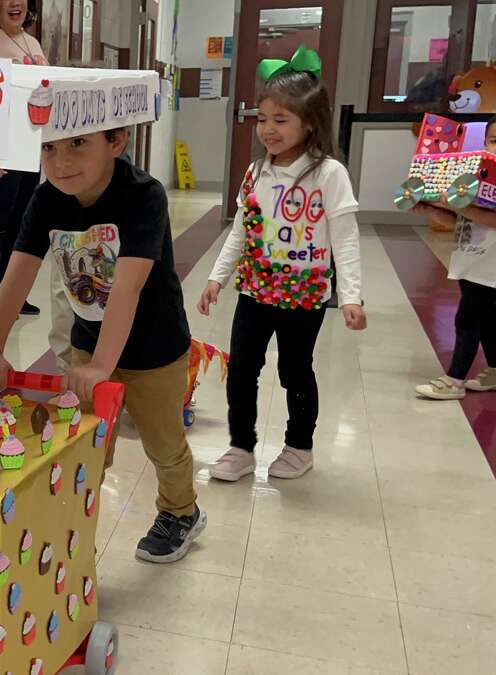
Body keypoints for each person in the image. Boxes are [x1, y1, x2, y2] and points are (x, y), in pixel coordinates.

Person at [0, 126, 207, 564]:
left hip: (154, 349)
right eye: (49, 147)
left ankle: (181, 512)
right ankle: (73, 520)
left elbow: (128, 288)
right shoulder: (46, 200)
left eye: (78, 144)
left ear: (115, 143)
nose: (62, 161)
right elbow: (18, 271)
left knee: (163, 442)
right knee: (87, 444)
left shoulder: (144, 195)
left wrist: (102, 366)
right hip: (89, 345)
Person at [198, 46, 366, 482]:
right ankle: (241, 447)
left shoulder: (328, 174)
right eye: (262, 119)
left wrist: (351, 296)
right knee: (242, 369)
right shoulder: (256, 173)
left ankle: (299, 446)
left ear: (309, 123)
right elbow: (241, 229)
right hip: (255, 290)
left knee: (295, 370)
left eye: (280, 120)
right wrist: (218, 277)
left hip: (303, 295)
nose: (268, 130)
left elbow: (346, 239)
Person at [412, 109, 496, 399]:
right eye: (494, 140)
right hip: (470, 261)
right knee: (486, 318)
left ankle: (454, 380)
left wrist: (457, 204)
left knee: (466, 319)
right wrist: (434, 209)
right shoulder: (482, 182)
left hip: (491, 267)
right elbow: (466, 222)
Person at [0, 0, 47, 317]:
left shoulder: (32, 42)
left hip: (28, 147)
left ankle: (12, 294)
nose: (15, 3)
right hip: (0, 149)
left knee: (21, 222)